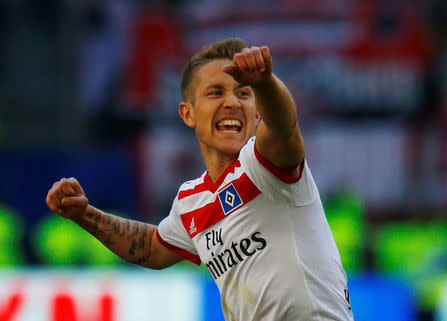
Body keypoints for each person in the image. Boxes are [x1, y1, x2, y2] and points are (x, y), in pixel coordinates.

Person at [46, 38, 354, 321]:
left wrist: (266, 83)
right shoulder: (191, 200)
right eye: (216, 92)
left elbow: (285, 125)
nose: (232, 102)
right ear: (188, 114)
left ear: (257, 111)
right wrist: (84, 215)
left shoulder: (265, 165)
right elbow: (152, 248)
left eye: (244, 93)